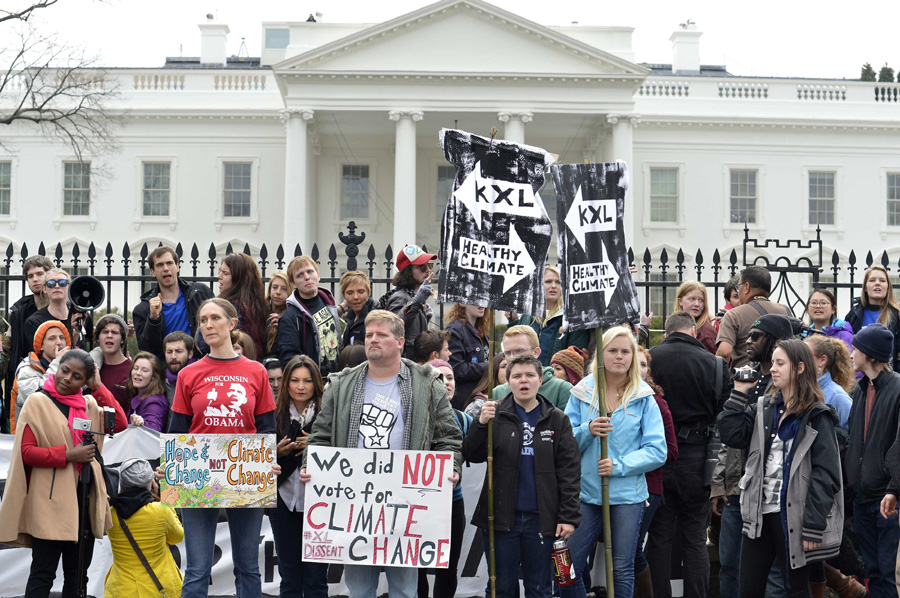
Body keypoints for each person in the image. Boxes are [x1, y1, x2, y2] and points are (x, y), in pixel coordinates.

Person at [300, 309, 462, 598]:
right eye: (369, 335)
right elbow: (320, 436)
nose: (372, 340)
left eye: (381, 335)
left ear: (400, 342)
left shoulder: (426, 382)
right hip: (354, 506)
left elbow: (448, 437)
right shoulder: (341, 384)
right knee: (360, 590)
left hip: (406, 505)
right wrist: (310, 465)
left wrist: (452, 468)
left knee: (404, 590)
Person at [168, 298, 277, 598]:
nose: (208, 325)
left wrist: (269, 460)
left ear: (231, 324)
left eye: (215, 318)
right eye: (203, 320)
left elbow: (267, 428)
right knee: (197, 569)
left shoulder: (256, 372)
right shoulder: (189, 374)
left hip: (246, 472)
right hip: (199, 474)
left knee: (247, 567)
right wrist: (170, 465)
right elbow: (178, 431)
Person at [718, 339, 843, 598]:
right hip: (758, 516)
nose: (772, 369)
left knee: (795, 590)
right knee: (748, 590)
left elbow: (825, 474)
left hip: (793, 518)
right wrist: (739, 393)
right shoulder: (765, 407)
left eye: (780, 363)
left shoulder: (818, 415)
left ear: (799, 368)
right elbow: (732, 435)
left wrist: (812, 524)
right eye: (773, 362)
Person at [0, 349, 127, 598]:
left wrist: (99, 388)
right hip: (50, 503)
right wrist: (68, 456)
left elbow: (120, 423)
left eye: (77, 376)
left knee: (78, 575)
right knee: (43, 573)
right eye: (65, 370)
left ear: (85, 381)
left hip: (84, 501)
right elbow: (26, 453)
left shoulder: (89, 404)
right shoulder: (37, 402)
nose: (67, 378)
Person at [561, 326, 666, 598]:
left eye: (625, 351)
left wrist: (618, 466)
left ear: (633, 356)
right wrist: (587, 430)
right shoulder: (581, 392)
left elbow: (657, 450)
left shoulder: (644, 398)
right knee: (564, 566)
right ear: (601, 354)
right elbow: (562, 444)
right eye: (612, 351)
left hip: (627, 495)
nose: (619, 357)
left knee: (622, 568)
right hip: (585, 493)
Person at [467, 355, 581, 598]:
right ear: (508, 382)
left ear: (540, 380)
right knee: (501, 587)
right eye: (517, 376)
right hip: (499, 518)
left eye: (530, 375)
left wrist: (568, 516)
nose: (524, 380)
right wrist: (480, 424)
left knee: (540, 588)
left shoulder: (558, 419)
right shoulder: (494, 415)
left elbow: (569, 472)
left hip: (543, 520)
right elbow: (471, 454)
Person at [646, 310, 732, 598]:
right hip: (699, 459)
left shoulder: (649, 360)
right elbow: (726, 415)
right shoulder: (716, 365)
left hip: (657, 457)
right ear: (694, 332)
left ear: (667, 333)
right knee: (695, 539)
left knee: (659, 537)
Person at [711, 313, 795, 598]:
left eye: (756, 337)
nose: (748, 341)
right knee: (730, 567)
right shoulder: (746, 380)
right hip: (738, 490)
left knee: (773, 575)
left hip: (772, 497)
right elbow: (729, 437)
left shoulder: (787, 389)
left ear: (773, 341)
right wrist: (720, 484)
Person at [843, 324, 900, 598]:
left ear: (870, 353)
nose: (851, 353)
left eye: (856, 348)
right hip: (862, 497)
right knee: (871, 572)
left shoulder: (898, 389)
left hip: (888, 501)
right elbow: (855, 440)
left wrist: (893, 489)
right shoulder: (860, 389)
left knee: (887, 576)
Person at [271, 355, 329, 597]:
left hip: (319, 504)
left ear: (316, 383)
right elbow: (257, 455)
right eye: (294, 380)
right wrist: (276, 453)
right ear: (286, 383)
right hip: (283, 502)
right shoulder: (273, 413)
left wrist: (316, 446)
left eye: (307, 380)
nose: (301, 386)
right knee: (289, 576)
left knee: (316, 578)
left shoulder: (327, 414)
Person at [418, 358, 473, 598]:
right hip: (416, 503)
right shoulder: (413, 417)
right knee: (416, 569)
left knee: (448, 568)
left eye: (449, 377)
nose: (446, 382)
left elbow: (479, 451)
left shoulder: (463, 419)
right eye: (438, 378)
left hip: (452, 502)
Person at [105, 459, 184, 597]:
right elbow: (177, 537)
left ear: (122, 483)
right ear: (151, 483)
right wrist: (163, 500)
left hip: (121, 590)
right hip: (158, 589)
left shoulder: (110, 513)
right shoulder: (160, 511)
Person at [636, 347, 679, 598]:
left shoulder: (657, 402)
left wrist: (640, 454)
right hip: (608, 485)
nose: (639, 369)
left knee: (631, 551)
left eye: (643, 365)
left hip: (647, 488)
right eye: (636, 364)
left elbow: (671, 450)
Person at [133, 245, 214, 360]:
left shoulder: (201, 293)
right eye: (159, 265)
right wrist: (153, 318)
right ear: (153, 272)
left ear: (177, 266)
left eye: (169, 263)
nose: (165, 268)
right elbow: (147, 350)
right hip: (165, 372)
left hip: (200, 364)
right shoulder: (143, 309)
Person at [508, 265, 589, 366]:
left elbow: (576, 356)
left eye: (558, 282)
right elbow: (515, 348)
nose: (554, 286)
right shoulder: (528, 315)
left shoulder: (573, 318)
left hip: (557, 379)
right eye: (548, 281)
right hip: (527, 375)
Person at [7, 255, 53, 422]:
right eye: (30, 276)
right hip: (23, 379)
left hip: (55, 378)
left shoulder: (65, 308)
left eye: (39, 274)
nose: (35, 279)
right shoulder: (19, 311)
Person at [276, 255, 341, 375]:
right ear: (293, 283)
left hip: (337, 379)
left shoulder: (329, 304)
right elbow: (289, 360)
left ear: (318, 275)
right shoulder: (289, 318)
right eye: (300, 275)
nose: (306, 277)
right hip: (313, 383)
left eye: (310, 272)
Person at [716, 265, 791, 367]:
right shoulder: (785, 311)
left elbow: (724, 352)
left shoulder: (733, 315)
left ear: (746, 287)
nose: (739, 291)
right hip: (779, 377)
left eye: (738, 287)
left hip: (745, 378)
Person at [376, 244, 436, 360]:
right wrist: (417, 302)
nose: (428, 270)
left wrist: (424, 317)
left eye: (429, 265)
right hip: (403, 364)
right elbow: (394, 327)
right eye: (422, 267)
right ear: (408, 271)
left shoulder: (411, 297)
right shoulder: (400, 297)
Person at [492, 325, 573, 410]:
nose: (512, 357)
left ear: (536, 352)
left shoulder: (562, 389)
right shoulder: (497, 392)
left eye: (519, 351)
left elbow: (567, 422)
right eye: (508, 353)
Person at [10, 320, 70, 432]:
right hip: (32, 436)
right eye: (52, 338)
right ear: (41, 346)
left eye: (62, 338)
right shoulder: (27, 368)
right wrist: (57, 363)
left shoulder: (72, 367)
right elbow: (38, 396)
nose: (59, 342)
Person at [845, 265, 900, 371]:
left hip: (888, 377)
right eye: (872, 280)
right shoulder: (854, 314)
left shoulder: (896, 316)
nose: (877, 283)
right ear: (865, 287)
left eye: (882, 280)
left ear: (888, 287)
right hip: (860, 377)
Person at [218, 252, 268, 359]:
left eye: (225, 273)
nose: (219, 276)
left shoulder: (231, 306)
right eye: (220, 271)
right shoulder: (259, 304)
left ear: (238, 279)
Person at [23, 268, 87, 351]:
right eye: (51, 283)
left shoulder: (79, 316)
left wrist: (78, 330)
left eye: (62, 283)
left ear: (69, 286)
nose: (57, 286)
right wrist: (75, 334)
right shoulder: (34, 322)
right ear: (45, 289)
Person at [444, 303, 490, 410]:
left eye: (483, 299)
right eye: (476, 299)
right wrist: (488, 367)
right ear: (462, 303)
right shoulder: (455, 331)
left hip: (480, 399)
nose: (481, 303)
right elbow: (456, 369)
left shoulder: (481, 330)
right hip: (464, 403)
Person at [803, 335, 854, 428]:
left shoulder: (838, 397)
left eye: (805, 355)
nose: (800, 360)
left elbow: (854, 434)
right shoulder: (798, 389)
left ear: (822, 360)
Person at [90, 313, 133, 412]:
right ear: (97, 338)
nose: (109, 336)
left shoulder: (133, 369)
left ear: (122, 339)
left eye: (114, 332)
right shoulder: (91, 369)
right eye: (105, 332)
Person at [124, 352, 169, 432]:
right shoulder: (140, 395)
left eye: (144, 370)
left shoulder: (154, 402)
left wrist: (143, 423)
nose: (138, 373)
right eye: (136, 368)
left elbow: (153, 430)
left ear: (153, 376)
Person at [673, 281, 718, 353]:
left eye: (701, 300)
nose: (697, 304)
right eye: (692, 299)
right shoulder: (675, 324)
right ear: (680, 301)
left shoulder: (706, 334)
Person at [464, 352, 507, 421]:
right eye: (504, 366)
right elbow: (469, 430)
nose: (509, 370)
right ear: (494, 371)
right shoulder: (478, 405)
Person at [339, 270, 375, 347]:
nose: (355, 297)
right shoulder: (347, 318)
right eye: (350, 293)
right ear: (344, 295)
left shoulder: (376, 315)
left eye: (361, 292)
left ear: (369, 292)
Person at [162, 330, 194, 408]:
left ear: (190, 354)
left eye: (178, 351)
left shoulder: (200, 379)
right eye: (169, 352)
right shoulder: (159, 381)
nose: (173, 356)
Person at [264, 270, 291, 358]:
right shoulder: (262, 310)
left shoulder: (291, 315)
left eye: (284, 289)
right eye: (275, 287)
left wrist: (283, 325)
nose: (278, 292)